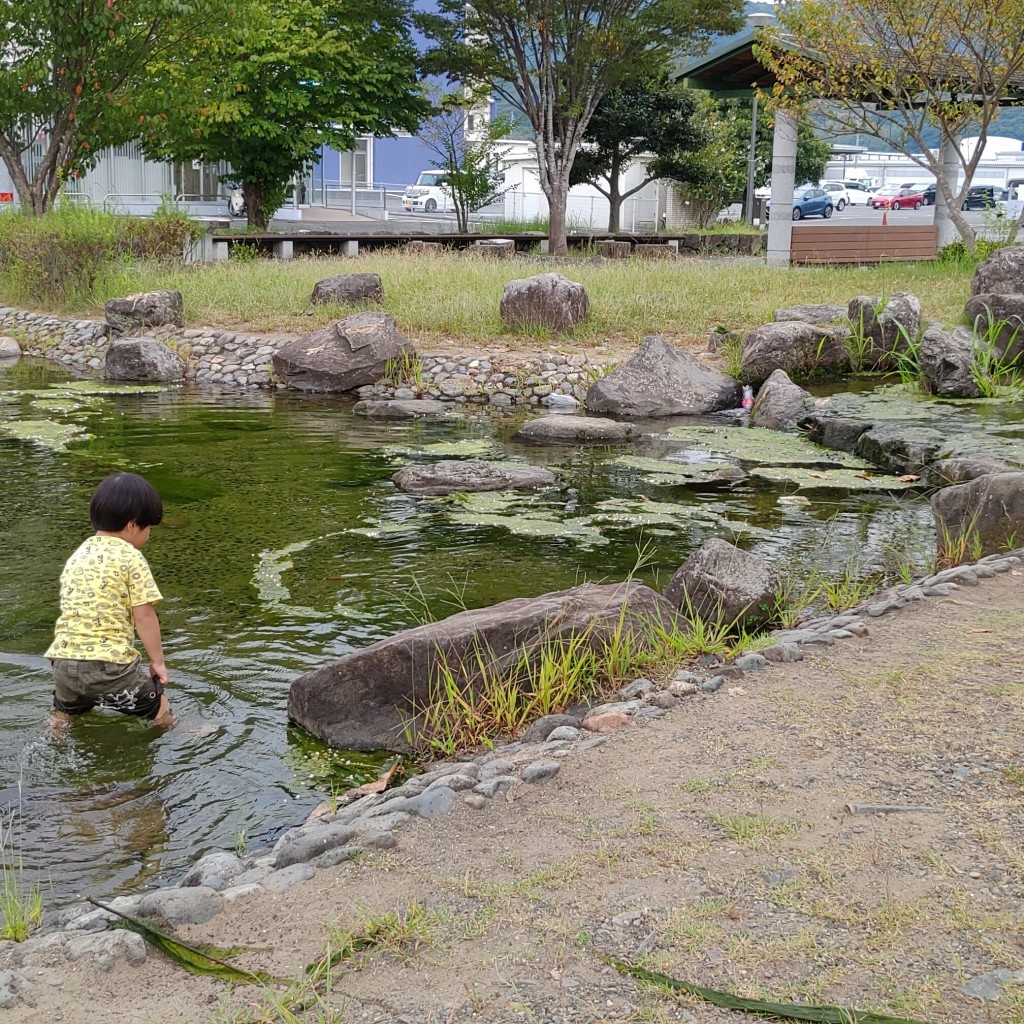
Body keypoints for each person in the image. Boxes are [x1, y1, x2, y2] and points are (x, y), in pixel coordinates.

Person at [46, 472, 174, 730]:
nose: (148, 535)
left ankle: (52, 737)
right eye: (148, 528)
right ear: (132, 525)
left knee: (64, 713)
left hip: (63, 663)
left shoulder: (79, 554)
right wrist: (157, 662)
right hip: (108, 667)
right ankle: (179, 738)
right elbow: (144, 615)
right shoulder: (131, 557)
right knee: (159, 706)